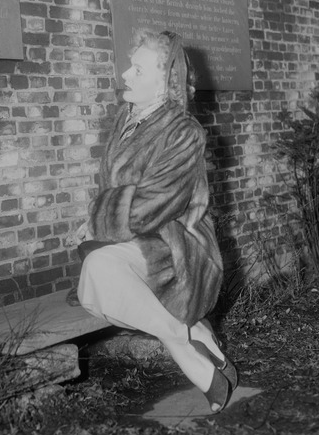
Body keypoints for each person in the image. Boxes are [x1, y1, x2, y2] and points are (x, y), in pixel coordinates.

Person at [72, 29, 237, 412]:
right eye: (130, 67)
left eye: (138, 70)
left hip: (178, 246)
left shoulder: (184, 132)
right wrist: (95, 224)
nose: (126, 75)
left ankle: (185, 350)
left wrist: (100, 220)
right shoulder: (127, 121)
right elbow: (111, 189)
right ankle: (194, 336)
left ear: (166, 84)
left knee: (99, 268)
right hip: (138, 238)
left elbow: (153, 205)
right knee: (94, 269)